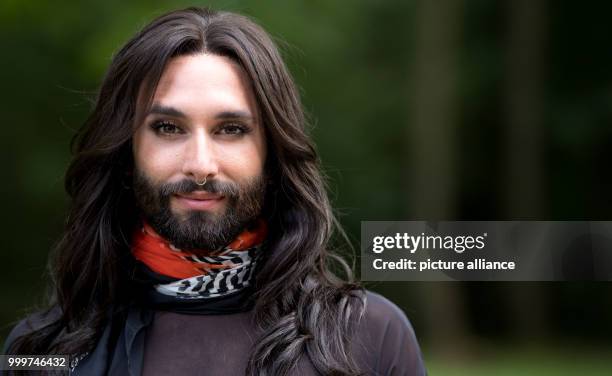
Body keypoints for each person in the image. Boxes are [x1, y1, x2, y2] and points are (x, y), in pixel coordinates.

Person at [3, 7, 426, 375]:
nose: (201, 164)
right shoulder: (41, 351)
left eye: (231, 130)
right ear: (125, 151)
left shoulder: (369, 337)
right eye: (168, 128)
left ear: (272, 154)